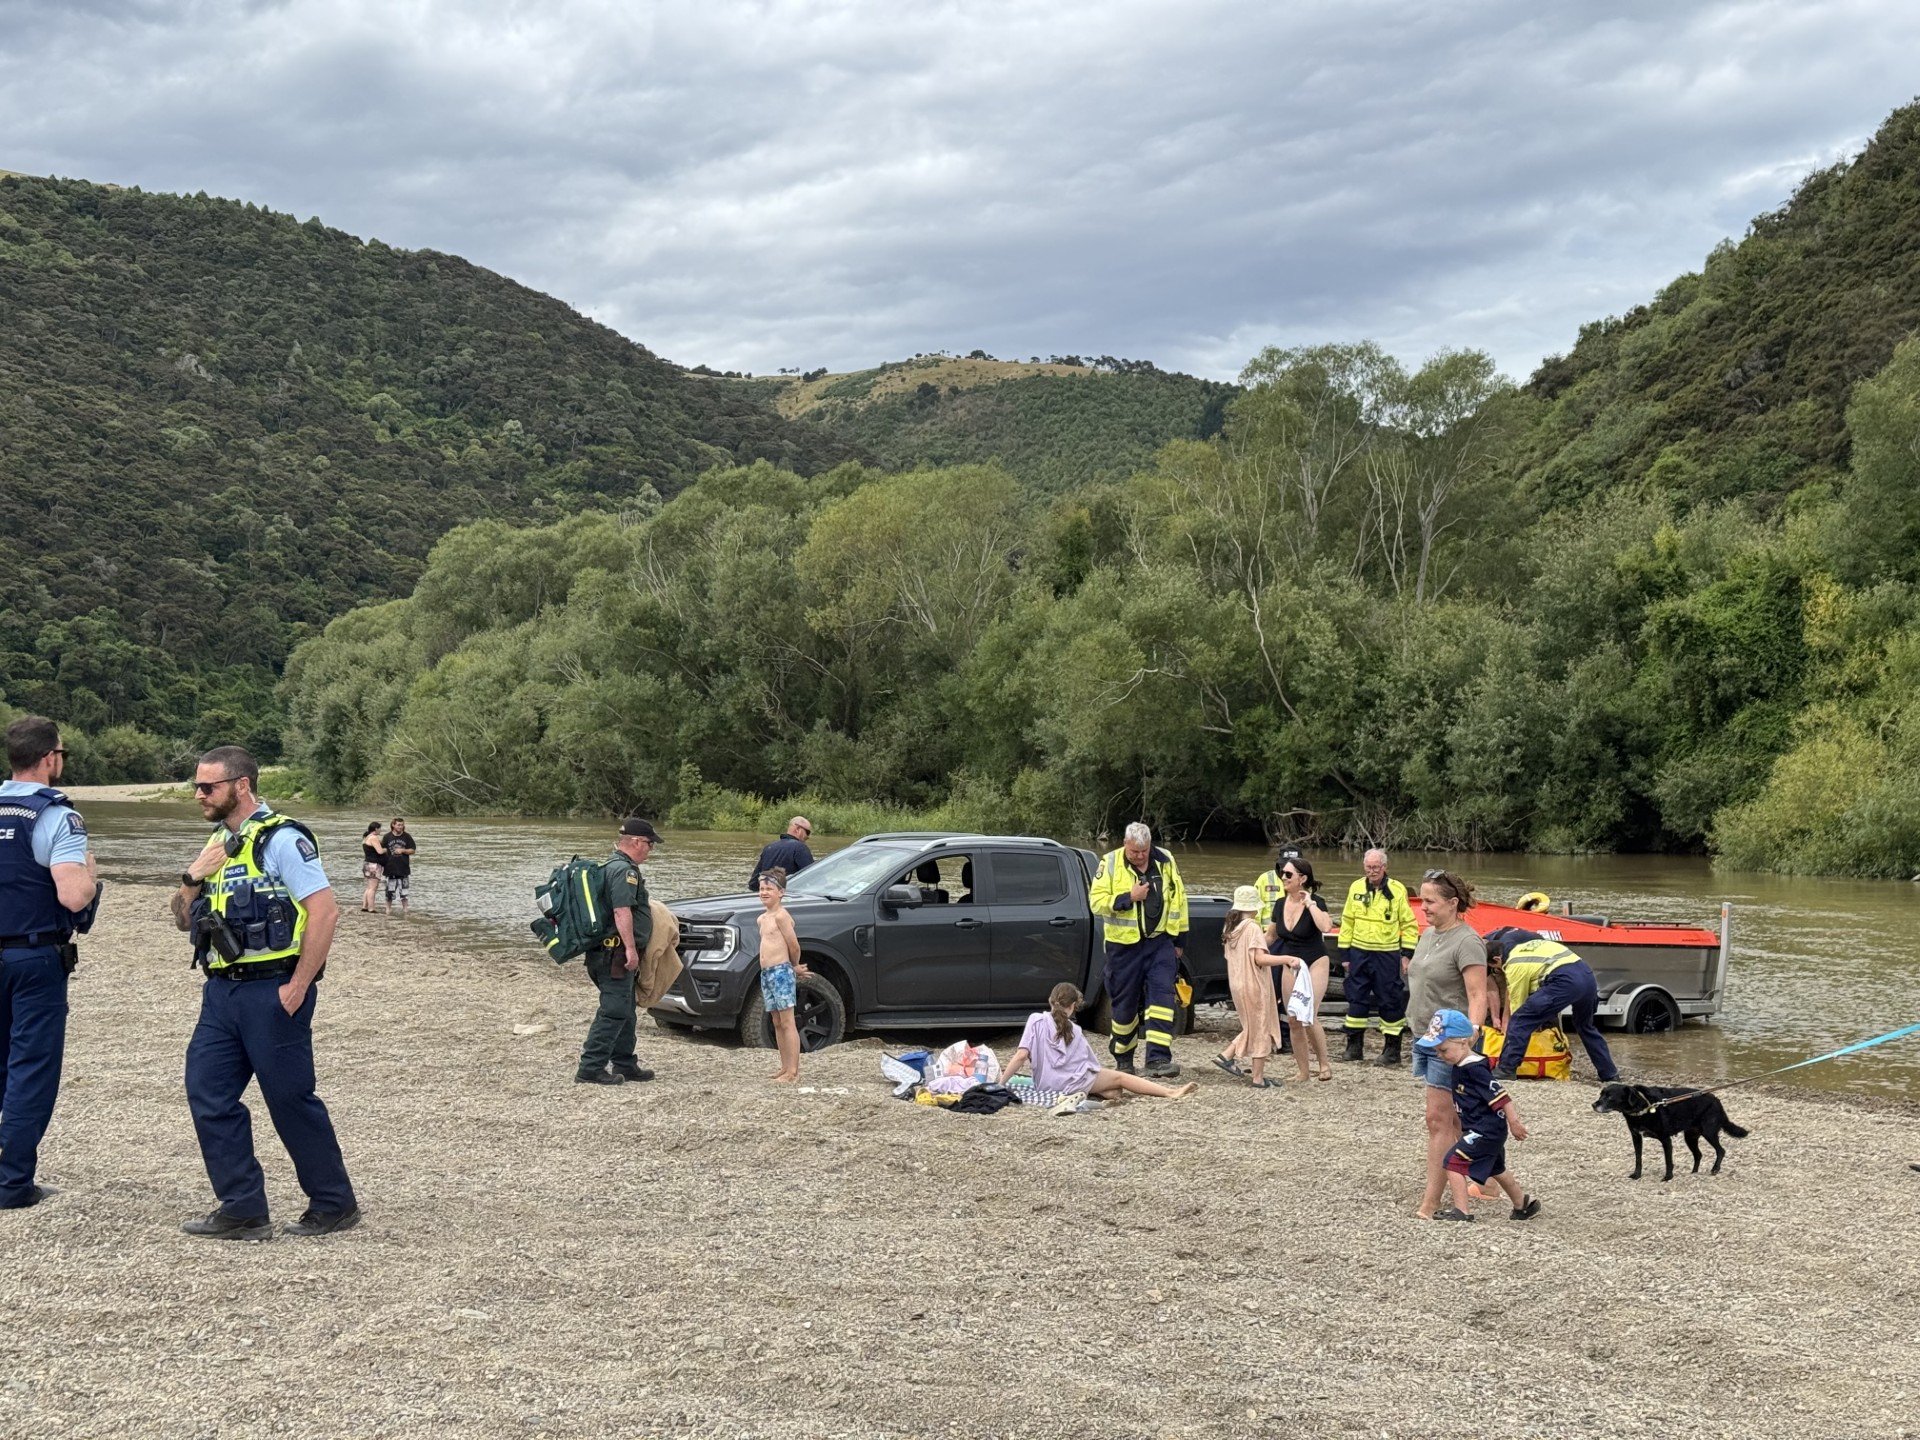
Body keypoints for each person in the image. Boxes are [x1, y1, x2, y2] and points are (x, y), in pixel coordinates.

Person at [172, 745, 358, 1239]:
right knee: (207, 1093)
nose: (199, 795)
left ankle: (334, 1203)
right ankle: (242, 1209)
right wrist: (192, 877)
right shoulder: (217, 843)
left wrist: (299, 985)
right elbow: (179, 918)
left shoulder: (282, 840)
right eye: (197, 785)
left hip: (273, 990)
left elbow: (325, 911)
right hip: (221, 994)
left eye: (208, 786)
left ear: (241, 785)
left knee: (290, 1099)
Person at [1, 716, 100, 1211]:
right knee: (30, 1068)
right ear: (48, 759)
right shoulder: (55, 815)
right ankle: (13, 1183)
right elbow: (74, 894)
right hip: (34, 955)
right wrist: (91, 873)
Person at [1406, 868, 1491, 1220]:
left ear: (1453, 903)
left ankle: (1431, 1202)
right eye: (1422, 900)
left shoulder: (1467, 941)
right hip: (1423, 1034)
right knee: (1458, 1119)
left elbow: (1477, 993)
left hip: (1450, 1041)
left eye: (1430, 901)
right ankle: (1488, 1180)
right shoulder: (1428, 935)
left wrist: (1470, 1034)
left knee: (1437, 1119)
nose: (1423, 907)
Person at [1087, 822, 1190, 1078]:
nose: (1140, 856)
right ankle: (1123, 1059)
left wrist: (1179, 942)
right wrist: (1128, 897)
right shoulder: (1109, 863)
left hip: (1159, 944)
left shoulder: (1165, 860)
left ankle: (1158, 1060)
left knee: (1162, 1001)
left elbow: (1180, 900)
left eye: (1144, 850)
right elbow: (1095, 903)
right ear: (1125, 844)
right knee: (1124, 1006)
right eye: (1135, 851)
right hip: (1124, 948)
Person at [1422, 1008, 1540, 1223]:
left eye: (1444, 1049)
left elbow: (1501, 1095)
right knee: (1496, 1168)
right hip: (1486, 1129)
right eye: (1437, 1051)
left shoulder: (1474, 1068)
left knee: (1452, 1161)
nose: (1440, 1055)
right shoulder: (1461, 1064)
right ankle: (1522, 1204)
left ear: (1463, 1042)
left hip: (1484, 1130)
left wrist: (1514, 1122)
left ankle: (1462, 1211)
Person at [1001, 984, 1198, 1101]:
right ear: (1072, 1007)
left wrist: (1001, 1082)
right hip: (1069, 1083)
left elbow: (1021, 1056)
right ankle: (1169, 1092)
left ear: (1051, 1001)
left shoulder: (1035, 1020)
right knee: (1120, 1077)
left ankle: (1106, 1093)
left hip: (1045, 1084)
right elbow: (1089, 1065)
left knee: (1113, 1088)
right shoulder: (1075, 1030)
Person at [575, 817, 660, 1086]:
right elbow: (621, 911)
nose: (651, 849)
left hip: (609, 952)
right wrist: (632, 950)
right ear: (635, 842)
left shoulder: (610, 866)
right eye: (649, 843)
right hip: (615, 954)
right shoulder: (624, 871)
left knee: (626, 1009)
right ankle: (591, 1068)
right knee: (613, 1010)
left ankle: (625, 1063)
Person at [1483, 926, 1620, 1084]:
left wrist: (1506, 1026)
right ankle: (1609, 1074)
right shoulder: (1528, 946)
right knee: (1585, 1026)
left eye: (1494, 968)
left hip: (1563, 981)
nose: (1498, 971)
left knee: (1521, 1019)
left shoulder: (1514, 964)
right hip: (1587, 976)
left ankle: (1506, 1069)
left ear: (1497, 960)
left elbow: (1517, 1006)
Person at [1337, 848, 1419, 1065]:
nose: (1372, 872)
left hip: (1387, 954)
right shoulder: (1356, 887)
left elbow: (1409, 924)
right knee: (1356, 999)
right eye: (1368, 867)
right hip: (1359, 953)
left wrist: (1406, 954)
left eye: (1376, 867)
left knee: (1390, 1000)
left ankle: (1392, 1051)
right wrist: (1345, 954)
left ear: (1384, 867)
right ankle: (1354, 1047)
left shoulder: (1397, 889)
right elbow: (1347, 922)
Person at [1268, 857, 1338, 1083]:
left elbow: (1326, 926)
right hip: (1292, 962)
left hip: (1315, 961)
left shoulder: (1317, 901)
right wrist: (1248, 947)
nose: (1283, 878)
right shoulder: (1279, 904)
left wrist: (1310, 904)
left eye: (1288, 874)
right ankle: (1303, 1071)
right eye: (1282, 874)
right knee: (1293, 1018)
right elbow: (1270, 936)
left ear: (1303, 878)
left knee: (1308, 1014)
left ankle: (1324, 1065)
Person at [1215, 886, 1278, 1087]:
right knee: (1260, 1027)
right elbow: (1260, 958)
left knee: (1251, 1025)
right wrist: (1287, 959)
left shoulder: (1230, 928)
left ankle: (1226, 1055)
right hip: (1253, 984)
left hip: (1237, 983)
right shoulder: (1252, 927)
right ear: (1255, 907)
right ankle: (1258, 1078)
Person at [755, 867, 811, 1083]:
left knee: (787, 1021)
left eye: (769, 888)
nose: (764, 892)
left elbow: (793, 945)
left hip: (781, 972)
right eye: (761, 888)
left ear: (781, 892)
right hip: (766, 973)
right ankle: (784, 1066)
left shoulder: (781, 916)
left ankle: (793, 1071)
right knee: (776, 1021)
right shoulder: (762, 919)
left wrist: (794, 966)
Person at [748, 816, 814, 890]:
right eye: (807, 832)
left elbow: (753, 884)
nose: (808, 836)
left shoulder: (769, 848)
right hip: (790, 897)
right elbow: (813, 878)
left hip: (770, 897)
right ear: (798, 829)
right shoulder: (800, 848)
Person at [380, 817, 416, 916]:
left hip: (403, 869)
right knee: (389, 893)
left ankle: (405, 911)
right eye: (399, 825)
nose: (401, 826)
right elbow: (381, 850)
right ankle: (388, 911)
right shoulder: (387, 837)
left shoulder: (407, 836)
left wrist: (403, 850)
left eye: (402, 825)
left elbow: (413, 850)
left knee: (404, 894)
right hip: (390, 869)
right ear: (393, 825)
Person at [359, 823, 385, 913]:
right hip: (374, 865)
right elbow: (380, 851)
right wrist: (387, 849)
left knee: (369, 887)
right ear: (376, 829)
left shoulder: (366, 837)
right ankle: (371, 908)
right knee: (373, 888)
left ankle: (364, 906)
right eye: (380, 828)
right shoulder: (373, 838)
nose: (380, 830)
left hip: (367, 863)